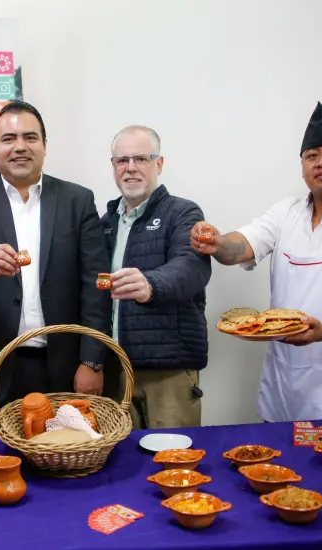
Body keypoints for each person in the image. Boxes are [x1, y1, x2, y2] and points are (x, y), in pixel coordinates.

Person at [191, 102, 322, 422]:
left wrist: (320, 332)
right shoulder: (287, 212)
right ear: (303, 165)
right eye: (312, 155)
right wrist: (218, 242)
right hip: (283, 375)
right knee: (279, 460)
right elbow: (242, 246)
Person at [0, 100, 111, 420]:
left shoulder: (77, 200)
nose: (20, 147)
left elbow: (95, 287)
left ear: (44, 146)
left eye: (30, 138)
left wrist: (92, 361)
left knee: (66, 460)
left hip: (65, 366)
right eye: (8, 139)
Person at [101, 126, 211, 429]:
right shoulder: (106, 222)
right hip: (117, 371)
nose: (131, 168)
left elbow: (192, 267)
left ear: (158, 164)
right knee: (121, 465)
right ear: (113, 166)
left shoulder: (183, 213)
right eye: (122, 160)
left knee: (175, 464)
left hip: (168, 372)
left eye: (141, 159)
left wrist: (152, 284)